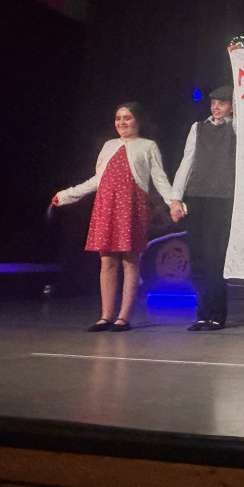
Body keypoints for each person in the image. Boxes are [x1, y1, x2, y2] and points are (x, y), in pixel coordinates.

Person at [53, 103, 173, 332]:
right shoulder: (109, 146)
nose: (121, 122)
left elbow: (159, 179)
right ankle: (105, 316)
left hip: (132, 207)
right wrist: (66, 195)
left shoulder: (148, 146)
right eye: (118, 118)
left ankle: (123, 317)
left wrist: (173, 202)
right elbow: (97, 179)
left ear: (138, 121)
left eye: (127, 117)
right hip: (107, 206)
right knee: (107, 261)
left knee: (129, 260)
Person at [170, 85, 236, 331]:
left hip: (223, 197)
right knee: (198, 256)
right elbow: (187, 162)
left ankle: (218, 313)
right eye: (213, 103)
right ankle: (202, 313)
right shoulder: (198, 128)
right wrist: (176, 198)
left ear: (232, 106)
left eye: (222, 103)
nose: (215, 107)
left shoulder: (236, 127)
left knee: (215, 256)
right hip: (198, 195)